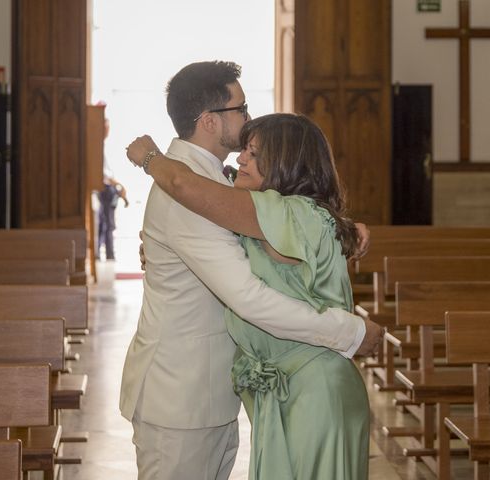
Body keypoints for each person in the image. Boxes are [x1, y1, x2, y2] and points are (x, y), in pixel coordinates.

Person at [120, 60, 383, 480]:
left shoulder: (218, 186)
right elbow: (248, 296)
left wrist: (343, 229)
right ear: (209, 120)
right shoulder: (189, 193)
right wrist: (350, 331)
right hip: (182, 395)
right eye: (241, 109)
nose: (247, 119)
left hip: (215, 392)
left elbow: (280, 236)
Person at [96, 118, 129, 260]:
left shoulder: (102, 145)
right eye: (105, 127)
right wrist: (118, 184)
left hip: (109, 189)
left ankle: (109, 253)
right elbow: (103, 174)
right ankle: (105, 254)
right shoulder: (95, 145)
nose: (107, 131)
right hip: (104, 189)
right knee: (105, 224)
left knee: (108, 224)